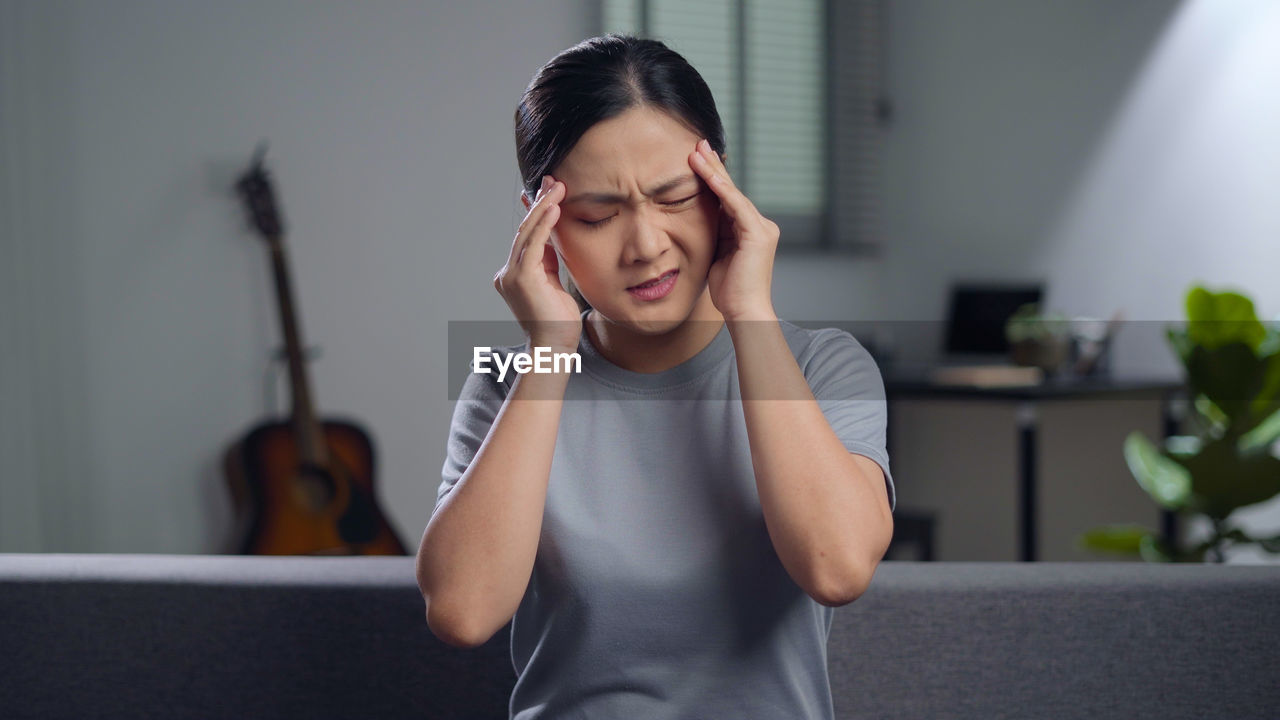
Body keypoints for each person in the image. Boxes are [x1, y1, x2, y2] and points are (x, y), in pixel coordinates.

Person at [416, 33, 896, 720]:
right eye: (597, 215)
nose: (645, 246)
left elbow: (838, 568)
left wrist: (750, 313)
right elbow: (463, 612)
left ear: (723, 189)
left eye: (673, 198)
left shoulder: (825, 366)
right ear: (541, 225)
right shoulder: (507, 384)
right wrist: (550, 347)